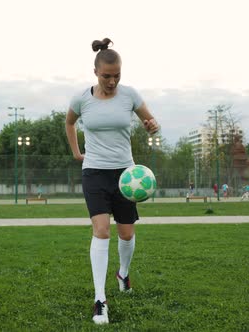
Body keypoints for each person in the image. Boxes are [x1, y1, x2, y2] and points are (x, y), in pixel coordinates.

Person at [65, 38, 159, 325]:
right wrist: (77, 152)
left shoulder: (129, 95)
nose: (112, 81)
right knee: (102, 230)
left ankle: (123, 274)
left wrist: (152, 125)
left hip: (126, 175)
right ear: (96, 72)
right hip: (94, 172)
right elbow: (69, 123)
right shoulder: (81, 99)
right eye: (107, 76)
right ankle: (100, 300)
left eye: (117, 75)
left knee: (127, 234)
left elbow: (151, 121)